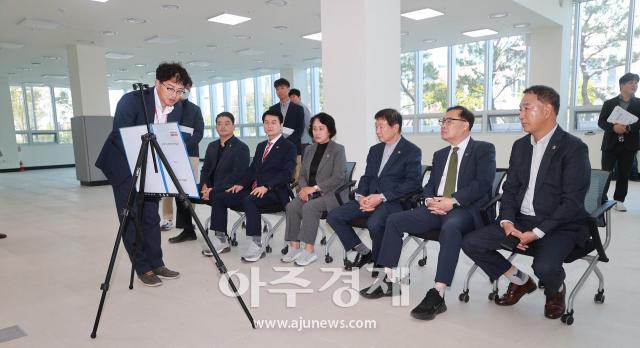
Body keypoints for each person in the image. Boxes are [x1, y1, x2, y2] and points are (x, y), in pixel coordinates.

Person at [462, 85, 591, 320]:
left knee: (544, 268)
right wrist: (508, 221)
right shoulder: (520, 146)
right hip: (521, 220)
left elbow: (572, 202)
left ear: (547, 110)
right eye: (520, 109)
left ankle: (555, 291)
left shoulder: (574, 148)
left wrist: (538, 232)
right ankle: (520, 282)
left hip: (560, 225)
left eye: (526, 108)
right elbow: (510, 189)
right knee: (472, 242)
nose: (521, 114)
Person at [360, 106, 496, 322]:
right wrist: (428, 199)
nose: (443, 125)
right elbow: (430, 185)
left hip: (464, 209)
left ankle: (438, 293)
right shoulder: (441, 154)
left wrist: (452, 201)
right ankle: (390, 280)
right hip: (435, 207)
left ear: (465, 125)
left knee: (451, 227)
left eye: (449, 121)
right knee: (394, 220)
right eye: (443, 121)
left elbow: (482, 184)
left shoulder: (483, 149)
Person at [95, 62, 191, 287]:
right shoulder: (132, 100)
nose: (174, 96)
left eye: (180, 91)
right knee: (130, 216)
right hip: (123, 164)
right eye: (170, 88)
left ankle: (157, 263)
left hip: (151, 165)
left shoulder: (175, 108)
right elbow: (120, 135)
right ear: (157, 83)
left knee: (150, 215)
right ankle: (142, 267)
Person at [326, 109, 422, 272]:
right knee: (334, 216)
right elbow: (367, 176)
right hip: (369, 198)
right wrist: (361, 196)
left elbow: (412, 184)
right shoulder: (375, 150)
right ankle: (364, 252)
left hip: (393, 201)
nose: (377, 131)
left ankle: (380, 260)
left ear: (396, 127)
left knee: (375, 223)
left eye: (381, 127)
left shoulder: (411, 151)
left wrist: (382, 197)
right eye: (376, 126)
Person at [210, 109, 296, 262]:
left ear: (281, 125)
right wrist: (241, 184)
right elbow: (252, 170)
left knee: (250, 200)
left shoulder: (289, 146)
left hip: (275, 192)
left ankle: (256, 244)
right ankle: (221, 239)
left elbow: (287, 174)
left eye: (274, 122)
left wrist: (267, 186)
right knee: (219, 195)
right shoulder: (261, 146)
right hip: (255, 190)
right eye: (266, 122)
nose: (269, 126)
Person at [282, 112, 346, 266]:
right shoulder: (309, 149)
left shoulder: (338, 149)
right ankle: (294, 247)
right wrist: (304, 189)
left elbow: (338, 177)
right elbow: (302, 174)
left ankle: (309, 251)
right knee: (291, 206)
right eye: (314, 129)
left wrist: (315, 188)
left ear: (329, 130)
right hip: (309, 193)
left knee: (310, 207)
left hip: (330, 195)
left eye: (321, 128)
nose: (317, 132)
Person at [199, 112, 250, 256]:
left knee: (217, 196)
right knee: (185, 191)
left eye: (227, 123)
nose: (223, 126)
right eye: (219, 123)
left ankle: (221, 238)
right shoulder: (212, 146)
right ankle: (187, 230)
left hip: (231, 188)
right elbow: (206, 169)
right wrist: (204, 185)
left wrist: (213, 189)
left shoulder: (241, 147)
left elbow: (237, 175)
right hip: (211, 186)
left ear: (234, 126)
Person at [166, 83, 205, 242]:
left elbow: (199, 132)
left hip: (190, 153)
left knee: (188, 188)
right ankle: (172, 220)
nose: (183, 92)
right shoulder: (167, 106)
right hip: (170, 152)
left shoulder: (195, 109)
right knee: (172, 188)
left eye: (186, 89)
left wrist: (185, 145)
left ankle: (188, 224)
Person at [598, 72, 640, 212]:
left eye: (636, 83)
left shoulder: (639, 104)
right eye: (631, 83)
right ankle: (601, 199)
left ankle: (619, 200)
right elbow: (601, 122)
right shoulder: (609, 103)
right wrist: (613, 127)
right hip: (610, 144)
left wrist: (628, 127)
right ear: (622, 85)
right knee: (606, 173)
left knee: (624, 174)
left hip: (629, 145)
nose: (634, 85)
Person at [269, 78, 305, 181]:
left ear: (288, 89)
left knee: (297, 178)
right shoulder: (273, 109)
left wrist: (286, 142)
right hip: (277, 148)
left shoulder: (298, 108)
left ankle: (298, 197)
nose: (279, 91)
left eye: (282, 88)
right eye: (277, 89)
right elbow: (271, 129)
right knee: (279, 176)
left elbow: (299, 130)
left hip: (294, 148)